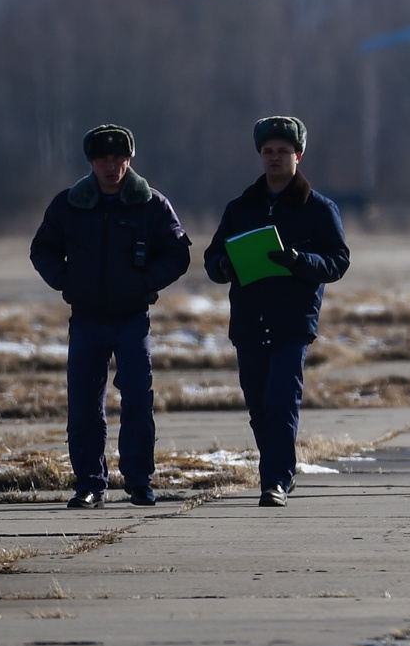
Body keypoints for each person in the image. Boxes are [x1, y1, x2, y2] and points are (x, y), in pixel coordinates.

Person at [30, 124, 191, 508]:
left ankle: (139, 481)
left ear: (129, 160)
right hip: (86, 318)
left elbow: (178, 253)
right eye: (104, 158)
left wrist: (145, 283)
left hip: (132, 319)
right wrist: (67, 282)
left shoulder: (151, 203)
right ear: (92, 161)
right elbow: (42, 250)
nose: (111, 165)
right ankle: (89, 484)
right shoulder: (69, 204)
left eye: (118, 158)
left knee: (137, 399)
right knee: (84, 405)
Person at [203, 116, 350, 508]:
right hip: (249, 321)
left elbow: (338, 261)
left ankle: (275, 481)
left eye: (283, 151)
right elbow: (213, 257)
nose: (275, 158)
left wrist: (301, 261)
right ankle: (278, 471)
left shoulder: (319, 208)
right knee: (259, 405)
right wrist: (226, 266)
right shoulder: (241, 208)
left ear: (298, 156)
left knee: (282, 399)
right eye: (268, 151)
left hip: (293, 322)